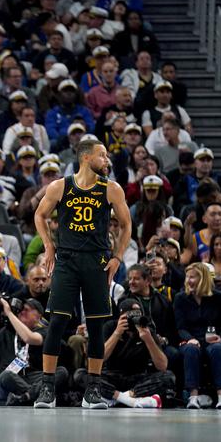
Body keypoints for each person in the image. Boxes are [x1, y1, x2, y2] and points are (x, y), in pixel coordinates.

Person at [33, 136, 132, 409]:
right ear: (86, 157)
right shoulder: (60, 186)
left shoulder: (111, 189)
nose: (107, 160)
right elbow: (39, 215)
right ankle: (47, 387)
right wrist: (49, 246)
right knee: (56, 323)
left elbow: (126, 225)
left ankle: (93, 389)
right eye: (102, 155)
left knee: (97, 325)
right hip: (66, 260)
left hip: (97, 262)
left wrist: (118, 257)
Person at [0, 297, 66, 406]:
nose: (22, 312)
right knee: (5, 376)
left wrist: (9, 313)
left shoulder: (45, 330)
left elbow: (30, 338)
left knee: (60, 372)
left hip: (34, 376)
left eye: (27, 309)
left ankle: (24, 397)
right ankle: (33, 396)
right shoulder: (5, 332)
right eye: (21, 310)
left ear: (39, 316)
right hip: (13, 378)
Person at [100, 298, 174, 409]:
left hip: (137, 379)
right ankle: (134, 400)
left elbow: (162, 366)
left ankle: (119, 398)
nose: (134, 318)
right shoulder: (110, 326)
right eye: (131, 315)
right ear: (121, 315)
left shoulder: (146, 329)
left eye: (138, 314)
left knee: (168, 377)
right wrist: (117, 333)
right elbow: (101, 358)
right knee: (86, 375)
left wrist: (148, 339)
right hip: (112, 376)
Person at [174, 263, 221, 409]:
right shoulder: (181, 298)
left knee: (218, 349)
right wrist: (189, 338)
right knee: (191, 349)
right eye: (187, 277)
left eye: (192, 277)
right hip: (191, 338)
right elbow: (180, 327)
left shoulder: (218, 297)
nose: (188, 280)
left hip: (212, 339)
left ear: (203, 279)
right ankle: (193, 397)